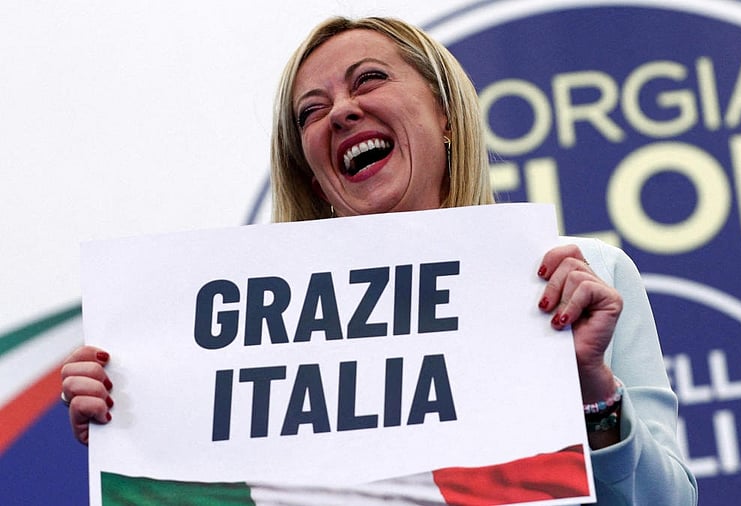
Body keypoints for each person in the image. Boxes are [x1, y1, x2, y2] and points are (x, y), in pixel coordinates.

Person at [62, 16, 697, 505]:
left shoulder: (580, 279)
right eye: (311, 112)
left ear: (446, 114)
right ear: (313, 175)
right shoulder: (246, 337)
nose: (341, 111)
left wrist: (591, 388)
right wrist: (141, 428)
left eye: (368, 79)